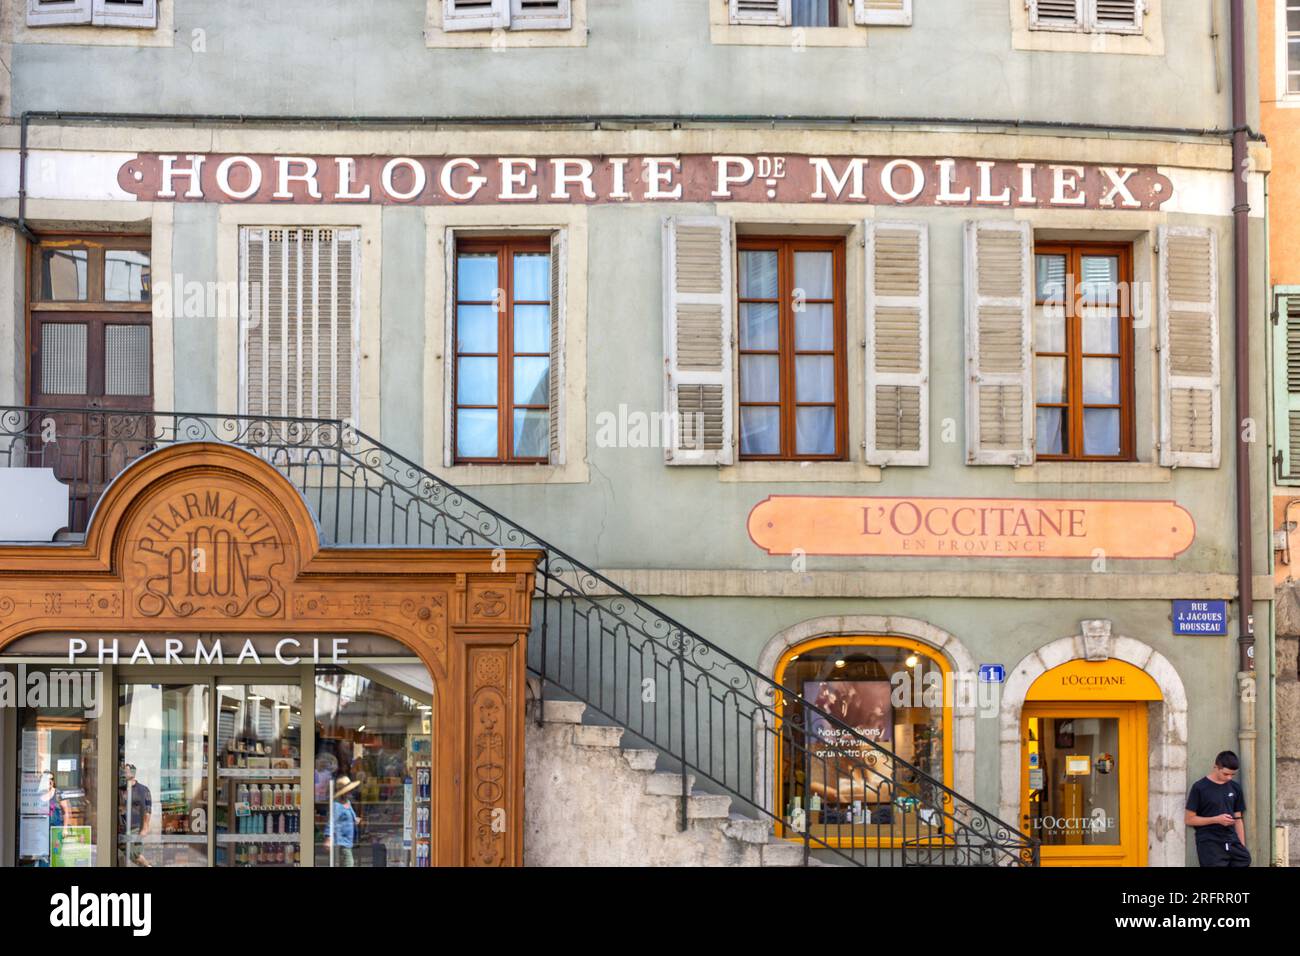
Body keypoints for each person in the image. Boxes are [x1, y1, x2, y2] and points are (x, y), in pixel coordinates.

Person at [1185, 751, 1250, 867]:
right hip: (1209, 842)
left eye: (1232, 774)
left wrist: (1241, 845)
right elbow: (1189, 819)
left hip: (1232, 840)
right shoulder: (1199, 787)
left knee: (1245, 859)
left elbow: (1238, 818)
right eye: (1226, 774)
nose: (1229, 778)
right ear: (1216, 767)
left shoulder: (1235, 788)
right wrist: (1216, 819)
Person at [118, 763, 152, 867]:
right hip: (121, 826)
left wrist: (145, 827)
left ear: (133, 773)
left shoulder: (143, 790)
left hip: (135, 827)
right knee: (121, 851)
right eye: (124, 771)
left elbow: (148, 809)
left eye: (126, 771)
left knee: (134, 853)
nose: (124, 773)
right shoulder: (120, 790)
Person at [324, 775, 361, 867]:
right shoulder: (337, 805)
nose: (351, 791)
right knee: (349, 863)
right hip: (341, 842)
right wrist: (328, 838)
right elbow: (331, 821)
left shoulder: (347, 802)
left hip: (348, 841)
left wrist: (355, 819)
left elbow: (351, 815)